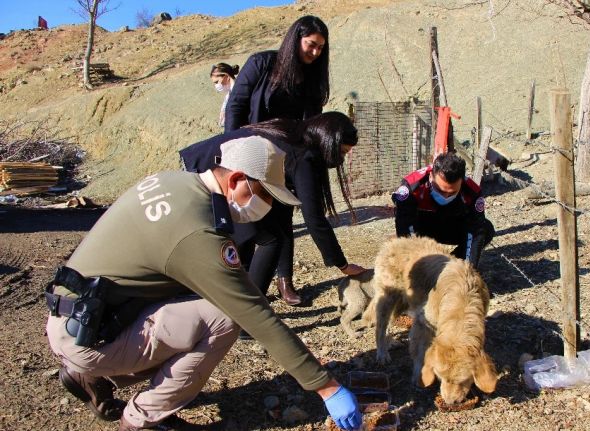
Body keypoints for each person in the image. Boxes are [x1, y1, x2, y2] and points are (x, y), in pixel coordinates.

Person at [45, 136, 362, 431]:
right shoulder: (197, 233)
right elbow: (254, 312)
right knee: (223, 319)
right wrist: (326, 387)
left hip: (82, 317)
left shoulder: (171, 182)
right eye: (265, 194)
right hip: (88, 336)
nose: (266, 206)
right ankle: (142, 420)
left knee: (197, 302)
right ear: (237, 180)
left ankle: (91, 377)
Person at [179, 112, 367, 309]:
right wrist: (343, 265)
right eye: (343, 153)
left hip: (200, 161)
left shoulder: (294, 131)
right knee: (270, 239)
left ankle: (243, 298)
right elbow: (314, 219)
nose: (342, 159)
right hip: (209, 171)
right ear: (330, 142)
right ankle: (248, 312)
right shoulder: (304, 155)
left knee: (262, 234)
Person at [223, 15, 329, 132]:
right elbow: (236, 106)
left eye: (320, 48)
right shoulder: (261, 63)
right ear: (296, 40)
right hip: (253, 143)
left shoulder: (313, 77)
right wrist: (232, 142)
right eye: (311, 44)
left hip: (291, 147)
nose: (315, 52)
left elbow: (312, 122)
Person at [392, 151, 495, 269]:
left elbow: (475, 231)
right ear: (431, 176)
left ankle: (452, 266)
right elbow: (405, 227)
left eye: (452, 193)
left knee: (485, 229)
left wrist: (467, 269)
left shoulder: (472, 192)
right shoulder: (411, 188)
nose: (445, 196)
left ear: (462, 182)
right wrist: (415, 265)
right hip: (422, 229)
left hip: (450, 227)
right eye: (439, 190)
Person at [210, 63, 239, 127]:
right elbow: (227, 99)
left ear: (226, 76)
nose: (216, 85)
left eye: (217, 82)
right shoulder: (232, 90)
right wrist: (223, 110)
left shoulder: (237, 92)